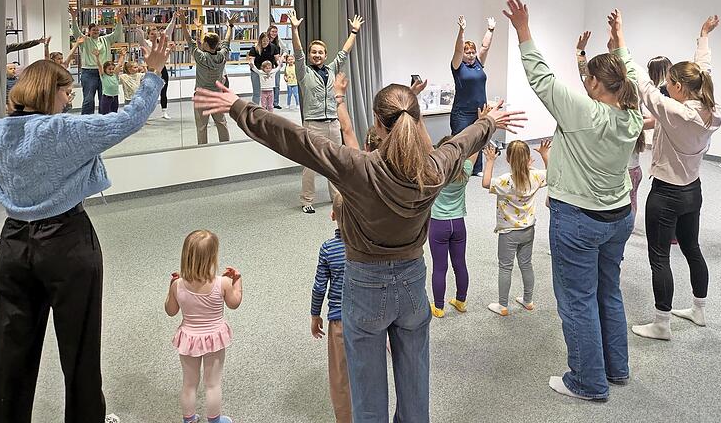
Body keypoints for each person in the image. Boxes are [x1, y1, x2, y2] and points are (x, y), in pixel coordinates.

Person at [193, 75, 525, 421]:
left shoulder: (357, 167)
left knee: (367, 400)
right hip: (413, 284)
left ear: (378, 124)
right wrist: (488, 121)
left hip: (365, 286)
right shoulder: (434, 168)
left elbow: (296, 140)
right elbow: (461, 143)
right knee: (415, 393)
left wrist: (239, 107)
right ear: (419, 120)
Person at [0, 36, 171, 423]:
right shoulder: (66, 130)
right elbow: (130, 119)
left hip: (14, 247)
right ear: (51, 92)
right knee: (79, 348)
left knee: (10, 350)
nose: (69, 99)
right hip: (68, 245)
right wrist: (152, 73)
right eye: (66, 92)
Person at [503, 0, 642, 401]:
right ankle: (616, 369)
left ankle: (587, 382)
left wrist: (523, 30)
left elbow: (542, 79)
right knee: (607, 292)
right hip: (618, 217)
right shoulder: (631, 113)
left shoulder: (584, 111)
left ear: (597, 84)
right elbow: (629, 75)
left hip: (579, 221)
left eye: (589, 78)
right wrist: (619, 42)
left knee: (577, 301)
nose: (584, 83)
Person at [631, 15, 721, 340]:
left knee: (659, 256)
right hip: (693, 192)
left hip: (666, 195)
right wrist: (703, 36)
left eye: (669, 82)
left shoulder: (673, 112)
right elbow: (703, 71)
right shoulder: (709, 109)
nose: (664, 86)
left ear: (679, 88)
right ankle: (699, 310)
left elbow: (644, 88)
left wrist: (621, 45)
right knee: (692, 248)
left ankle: (661, 323)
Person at [289, 9, 364, 214]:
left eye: (320, 52)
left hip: (333, 122)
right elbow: (297, 52)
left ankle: (337, 197)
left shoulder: (331, 69)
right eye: (314, 52)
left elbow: (345, 52)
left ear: (325, 55)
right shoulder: (304, 72)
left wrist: (354, 32)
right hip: (313, 124)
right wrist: (294, 29)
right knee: (311, 165)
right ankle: (307, 200)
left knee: (335, 163)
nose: (317, 55)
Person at [165, 230, 243, 423]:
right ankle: (214, 421)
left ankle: (189, 420)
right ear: (212, 258)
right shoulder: (222, 283)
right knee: (212, 384)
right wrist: (238, 281)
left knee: (189, 384)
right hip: (214, 338)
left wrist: (171, 287)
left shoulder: (178, 284)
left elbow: (170, 310)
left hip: (189, 338)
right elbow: (234, 303)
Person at [577, 30, 647, 219]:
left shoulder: (604, 109)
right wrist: (582, 52)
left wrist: (580, 52)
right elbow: (587, 78)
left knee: (625, 209)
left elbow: (586, 79)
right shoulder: (630, 102)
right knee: (629, 206)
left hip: (625, 171)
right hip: (633, 169)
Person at [482, 139, 549, 316]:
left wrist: (489, 161)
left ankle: (502, 305)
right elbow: (552, 175)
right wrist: (544, 155)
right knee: (526, 264)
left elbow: (485, 182)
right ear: (529, 158)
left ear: (508, 159)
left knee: (505, 266)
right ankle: (528, 300)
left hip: (508, 231)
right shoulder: (535, 176)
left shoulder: (505, 181)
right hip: (528, 230)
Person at [311, 193, 351, 423]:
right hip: (367, 320)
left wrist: (315, 314)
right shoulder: (369, 246)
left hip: (339, 322)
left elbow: (319, 287)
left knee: (340, 377)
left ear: (332, 215)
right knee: (367, 371)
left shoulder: (328, 249)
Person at [427, 135, 478, 318]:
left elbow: (428, 150)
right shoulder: (465, 170)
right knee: (460, 264)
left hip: (438, 225)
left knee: (440, 267)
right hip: (458, 224)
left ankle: (439, 308)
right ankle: (461, 301)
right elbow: (474, 148)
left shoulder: (435, 172)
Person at [450, 15, 496, 175]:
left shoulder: (478, 63)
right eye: (467, 52)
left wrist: (490, 30)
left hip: (480, 110)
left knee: (479, 139)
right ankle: (457, 170)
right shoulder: (457, 66)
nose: (470, 55)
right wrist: (461, 30)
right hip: (462, 112)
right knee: (461, 141)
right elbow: (457, 49)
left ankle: (476, 169)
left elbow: (485, 47)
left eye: (472, 52)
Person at [182, 14, 234, 144]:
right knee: (221, 123)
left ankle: (202, 149)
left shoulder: (201, 57)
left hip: (201, 96)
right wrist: (230, 26)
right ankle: (226, 145)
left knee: (202, 127)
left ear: (205, 43)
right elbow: (227, 41)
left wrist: (183, 22)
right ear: (217, 44)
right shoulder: (222, 56)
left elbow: (189, 39)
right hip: (217, 95)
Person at [70, 8, 124, 115]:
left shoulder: (105, 39)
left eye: (97, 30)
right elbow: (76, 32)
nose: (96, 31)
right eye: (93, 30)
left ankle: (102, 120)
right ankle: (86, 121)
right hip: (88, 72)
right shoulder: (85, 40)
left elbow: (117, 33)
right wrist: (73, 18)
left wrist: (119, 20)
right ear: (89, 31)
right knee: (88, 99)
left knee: (103, 99)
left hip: (104, 73)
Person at [136, 12, 177, 119]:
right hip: (151, 70)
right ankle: (145, 113)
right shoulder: (146, 43)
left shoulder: (161, 42)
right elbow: (140, 38)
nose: (154, 35)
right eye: (151, 33)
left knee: (164, 90)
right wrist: (139, 25)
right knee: (149, 92)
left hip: (161, 68)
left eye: (155, 32)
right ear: (148, 34)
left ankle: (164, 111)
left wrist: (173, 18)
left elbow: (168, 31)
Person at [247, 32, 281, 104]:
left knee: (269, 92)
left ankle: (268, 108)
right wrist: (251, 64)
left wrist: (279, 64)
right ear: (260, 40)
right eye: (264, 41)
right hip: (257, 71)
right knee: (257, 92)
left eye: (267, 41)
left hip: (268, 72)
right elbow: (251, 59)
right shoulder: (254, 48)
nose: (265, 42)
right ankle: (255, 108)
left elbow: (277, 59)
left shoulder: (273, 47)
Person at [94, 49, 125, 115]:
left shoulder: (115, 75)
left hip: (115, 97)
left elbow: (119, 64)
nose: (111, 70)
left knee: (114, 113)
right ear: (105, 69)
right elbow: (99, 66)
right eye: (109, 69)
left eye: (112, 69)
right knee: (105, 114)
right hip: (106, 98)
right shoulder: (103, 76)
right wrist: (97, 57)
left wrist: (122, 55)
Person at [267, 23, 286, 109]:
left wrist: (281, 58)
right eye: (273, 31)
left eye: (276, 32)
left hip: (276, 65)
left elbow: (286, 50)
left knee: (277, 85)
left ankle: (276, 103)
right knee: (268, 85)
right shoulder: (265, 40)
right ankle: (268, 103)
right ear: (269, 32)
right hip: (267, 66)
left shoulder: (278, 40)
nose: (274, 33)